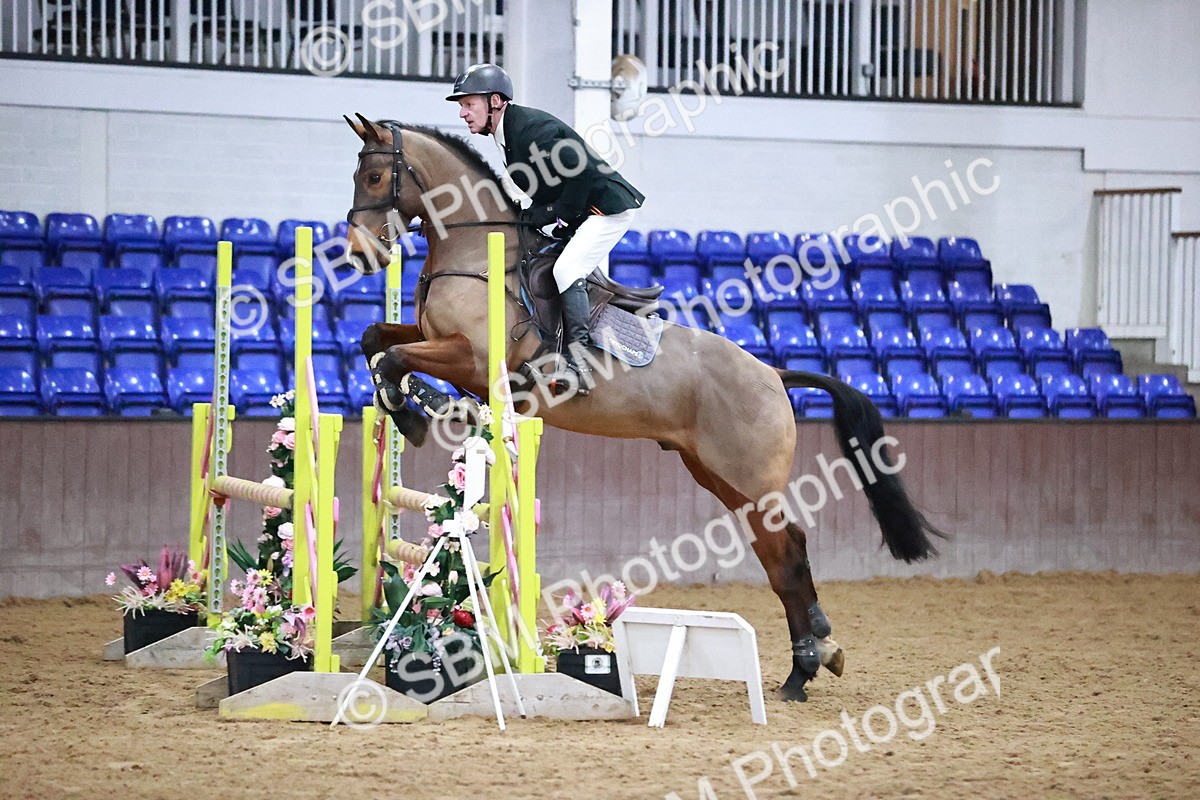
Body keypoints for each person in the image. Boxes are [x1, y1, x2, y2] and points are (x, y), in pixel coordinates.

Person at [447, 63, 645, 396]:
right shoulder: (506, 134)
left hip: (605, 209)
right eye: (462, 106)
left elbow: (579, 170)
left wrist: (560, 218)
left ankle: (578, 363)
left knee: (568, 269)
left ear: (495, 100)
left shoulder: (530, 128)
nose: (463, 113)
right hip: (580, 207)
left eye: (469, 104)